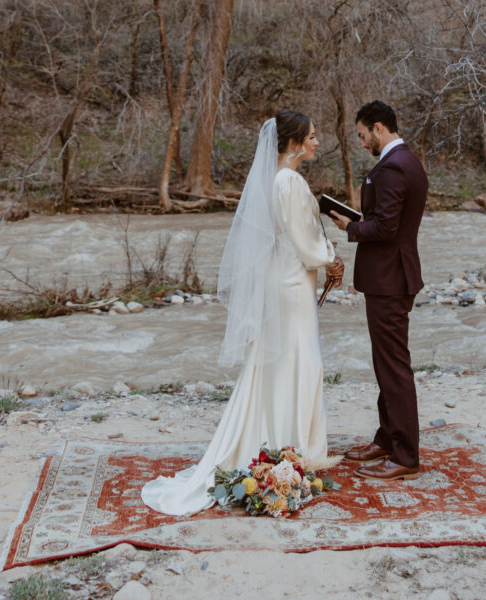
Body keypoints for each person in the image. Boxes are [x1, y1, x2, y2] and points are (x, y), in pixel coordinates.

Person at [142, 110, 344, 516]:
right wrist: (331, 259)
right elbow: (305, 242)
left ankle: (285, 442)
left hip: (285, 277)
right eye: (312, 136)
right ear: (292, 143)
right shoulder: (289, 182)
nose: (317, 142)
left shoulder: (275, 180)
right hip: (290, 282)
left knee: (285, 360)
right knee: (302, 360)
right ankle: (296, 449)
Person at [330, 100, 427, 481]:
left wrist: (350, 228)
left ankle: (405, 456)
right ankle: (387, 438)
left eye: (361, 134)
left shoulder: (393, 167)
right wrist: (359, 221)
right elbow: (391, 222)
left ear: (379, 128)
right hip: (393, 276)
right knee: (386, 364)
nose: (361, 141)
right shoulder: (408, 162)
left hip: (390, 279)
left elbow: (386, 229)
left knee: (394, 367)